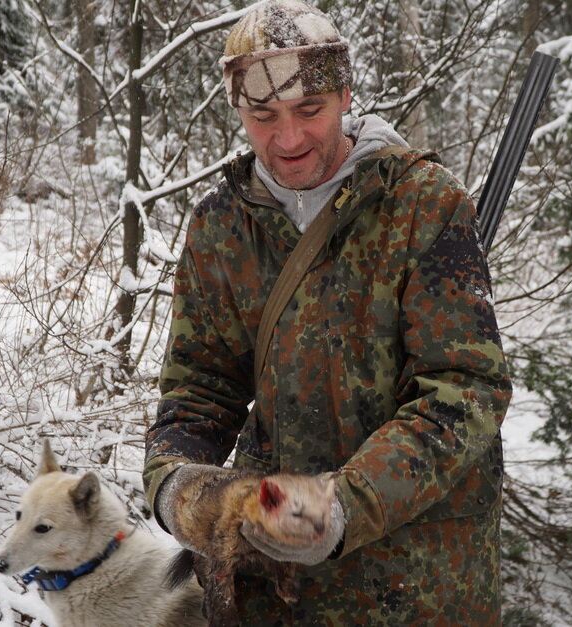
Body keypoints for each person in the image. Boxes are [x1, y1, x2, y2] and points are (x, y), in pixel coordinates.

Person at [143, 0, 512, 624]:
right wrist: (176, 484)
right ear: (238, 111)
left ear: (344, 95)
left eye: (309, 111)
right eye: (262, 115)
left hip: (415, 589)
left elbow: (466, 388)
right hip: (273, 594)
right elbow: (199, 389)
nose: (287, 139)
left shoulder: (422, 204)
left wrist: (345, 504)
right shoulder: (220, 226)